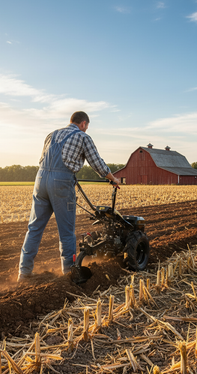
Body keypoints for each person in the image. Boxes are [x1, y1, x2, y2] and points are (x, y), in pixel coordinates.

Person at [17, 111, 120, 281]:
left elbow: (42, 159)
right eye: (86, 126)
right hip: (61, 183)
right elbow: (97, 163)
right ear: (84, 124)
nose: (86, 129)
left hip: (40, 180)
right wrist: (113, 178)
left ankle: (24, 272)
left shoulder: (52, 134)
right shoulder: (83, 137)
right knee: (66, 232)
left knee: (34, 228)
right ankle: (69, 273)